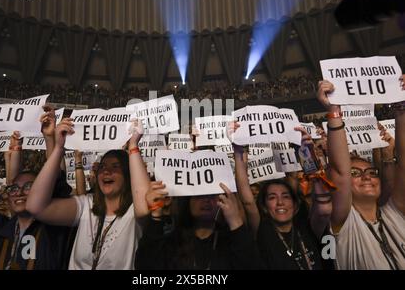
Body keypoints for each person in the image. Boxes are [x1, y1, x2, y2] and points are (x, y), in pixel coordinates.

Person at [25, 118, 149, 270]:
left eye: (115, 166)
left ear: (128, 175)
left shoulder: (133, 212)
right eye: (102, 166)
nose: (106, 171)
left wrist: (133, 146)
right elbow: (35, 207)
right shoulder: (86, 205)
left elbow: (144, 206)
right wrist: (58, 148)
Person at [0, 110, 72, 270]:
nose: (20, 192)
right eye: (14, 188)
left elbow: (56, 184)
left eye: (29, 187)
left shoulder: (54, 229)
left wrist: (50, 139)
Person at [317, 78, 405, 270]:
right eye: (355, 173)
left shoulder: (396, 212)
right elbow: (340, 172)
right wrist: (334, 111)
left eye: (371, 172)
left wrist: (401, 109)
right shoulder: (344, 223)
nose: (366, 177)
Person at [229, 123, 333, 269]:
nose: (280, 202)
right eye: (272, 197)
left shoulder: (308, 228)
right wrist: (239, 151)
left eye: (285, 196)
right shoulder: (262, 231)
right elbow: (247, 202)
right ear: (264, 207)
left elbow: (324, 206)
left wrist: (307, 152)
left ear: (295, 205)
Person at [135, 181, 263, 270]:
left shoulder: (233, 241)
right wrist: (156, 213)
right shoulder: (172, 242)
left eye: (211, 195)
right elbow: (145, 266)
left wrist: (235, 221)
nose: (206, 199)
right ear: (187, 201)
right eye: (199, 195)